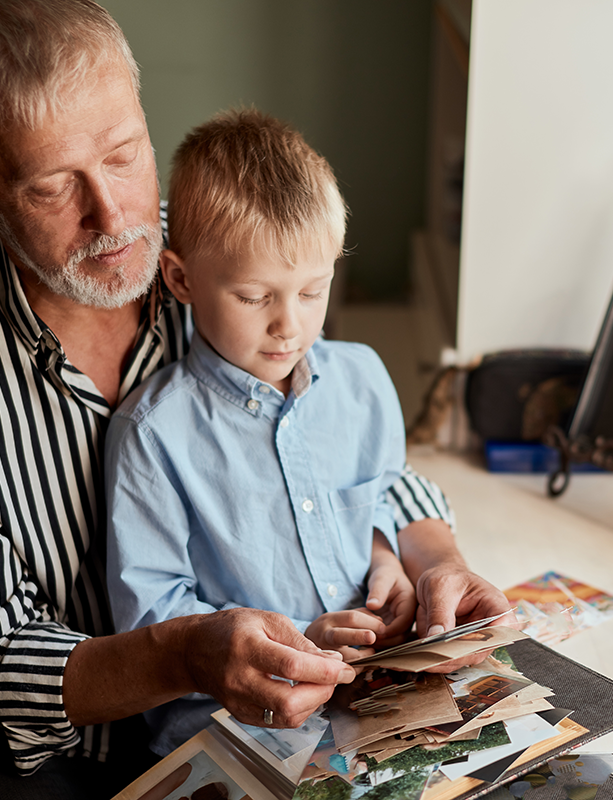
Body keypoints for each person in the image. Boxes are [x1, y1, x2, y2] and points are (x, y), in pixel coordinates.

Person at [0, 1, 509, 796]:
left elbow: (332, 436)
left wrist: (418, 555)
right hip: (9, 740)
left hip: (241, 705)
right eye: (53, 187)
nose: (117, 218)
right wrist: (187, 653)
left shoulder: (217, 257)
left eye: (125, 154)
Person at [105, 108, 453, 754]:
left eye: (312, 291)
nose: (288, 327)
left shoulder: (362, 381)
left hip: (376, 705)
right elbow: (153, 618)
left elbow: (383, 493)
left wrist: (386, 560)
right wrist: (299, 640)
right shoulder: (153, 435)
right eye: (254, 297)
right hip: (236, 734)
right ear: (181, 279)